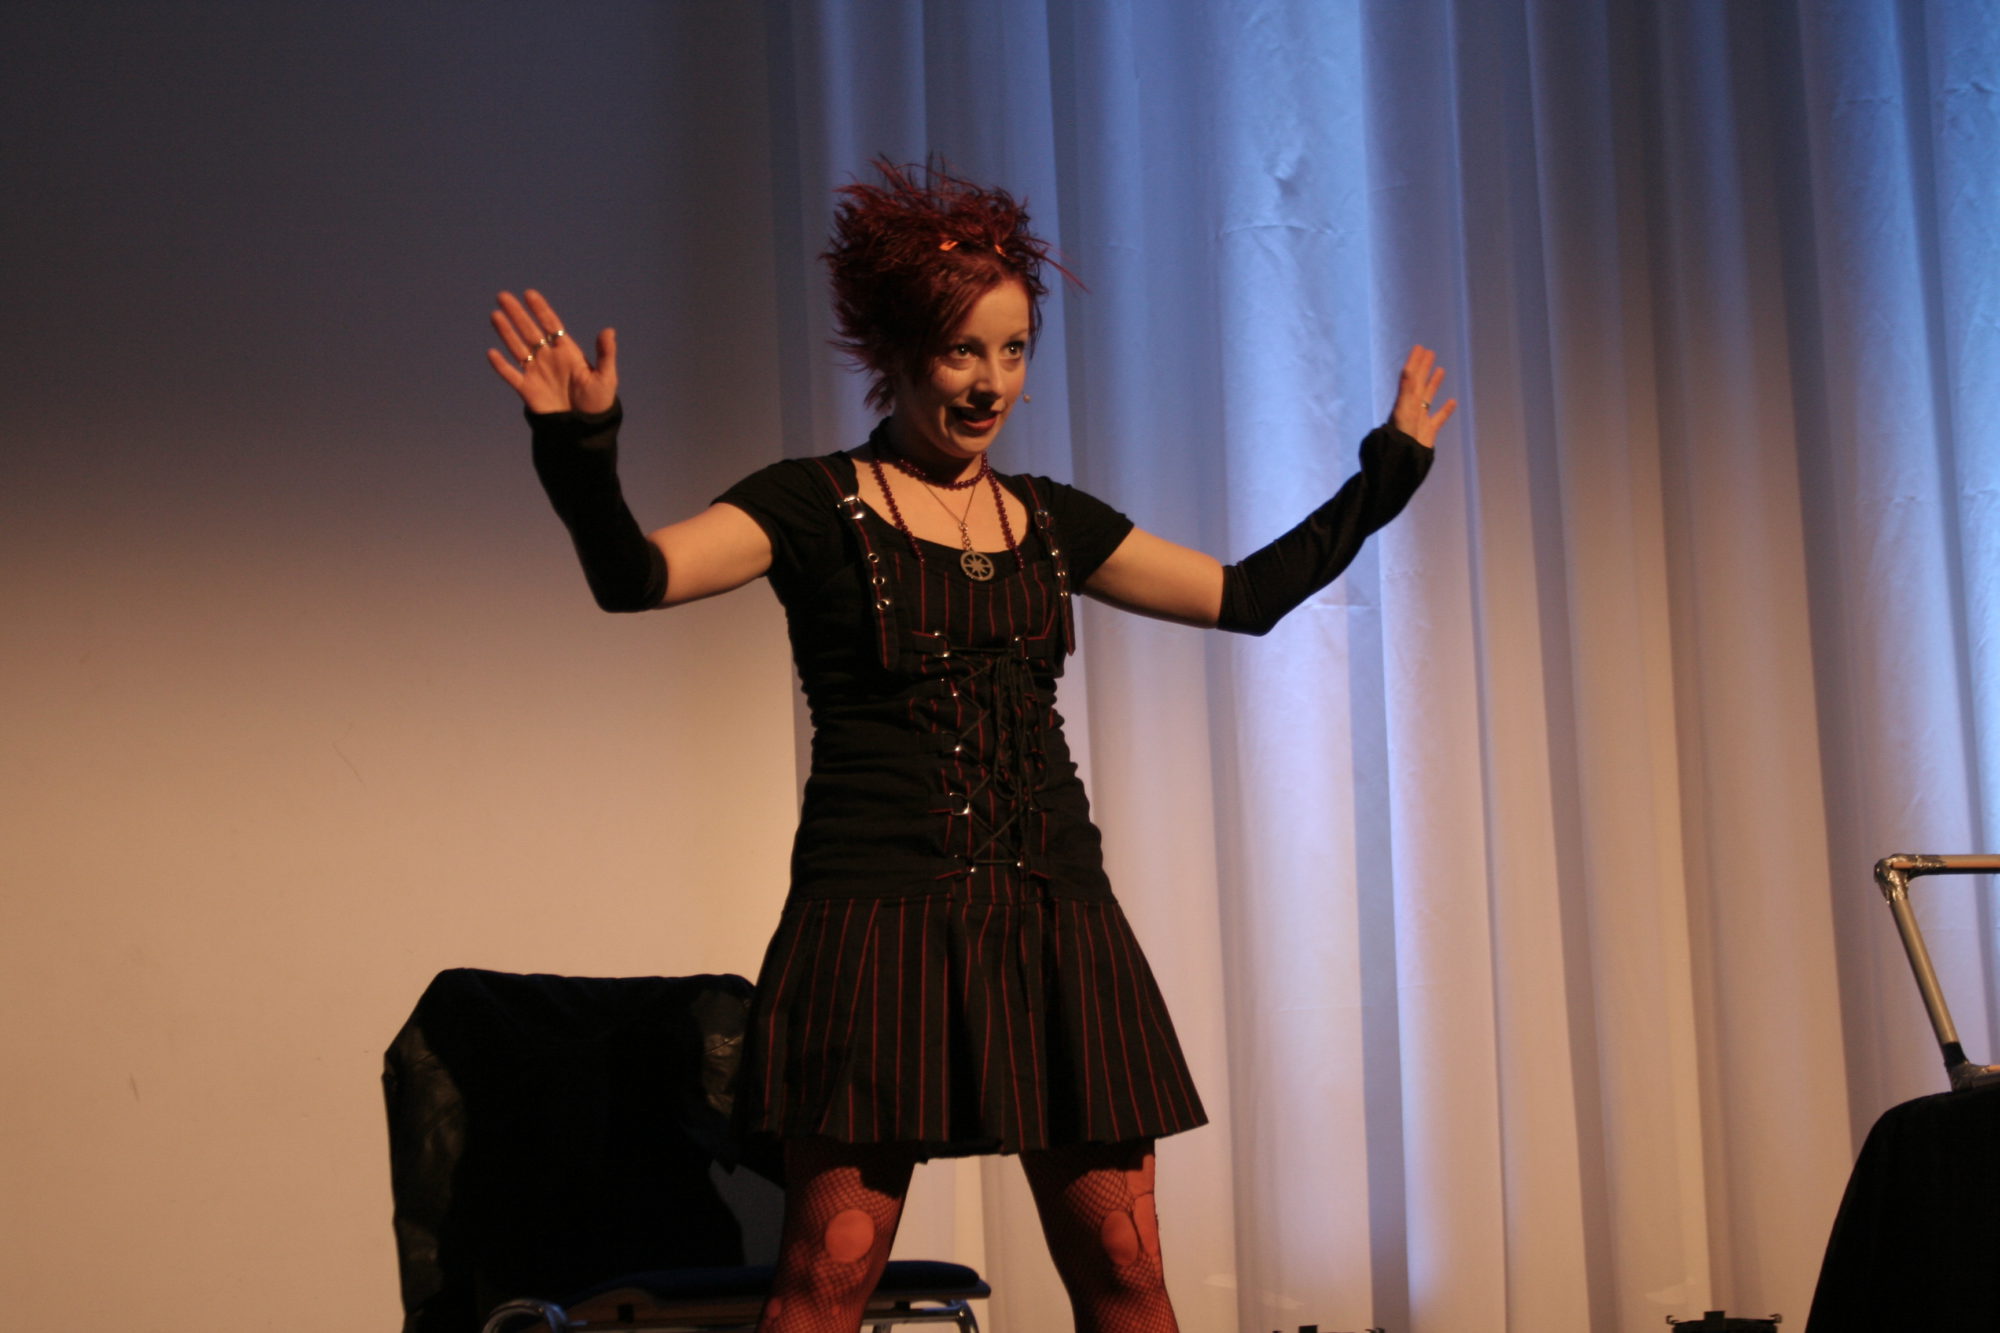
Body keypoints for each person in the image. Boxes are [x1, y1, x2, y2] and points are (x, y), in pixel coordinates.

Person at [487, 161, 1453, 1333]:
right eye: (960, 351)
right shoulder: (810, 503)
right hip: (875, 922)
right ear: (894, 354)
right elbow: (635, 577)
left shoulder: (1049, 520)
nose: (990, 381)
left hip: (1053, 919)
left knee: (1126, 1269)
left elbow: (1242, 597)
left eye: (1011, 350)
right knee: (826, 1279)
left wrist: (1385, 474)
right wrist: (578, 449)